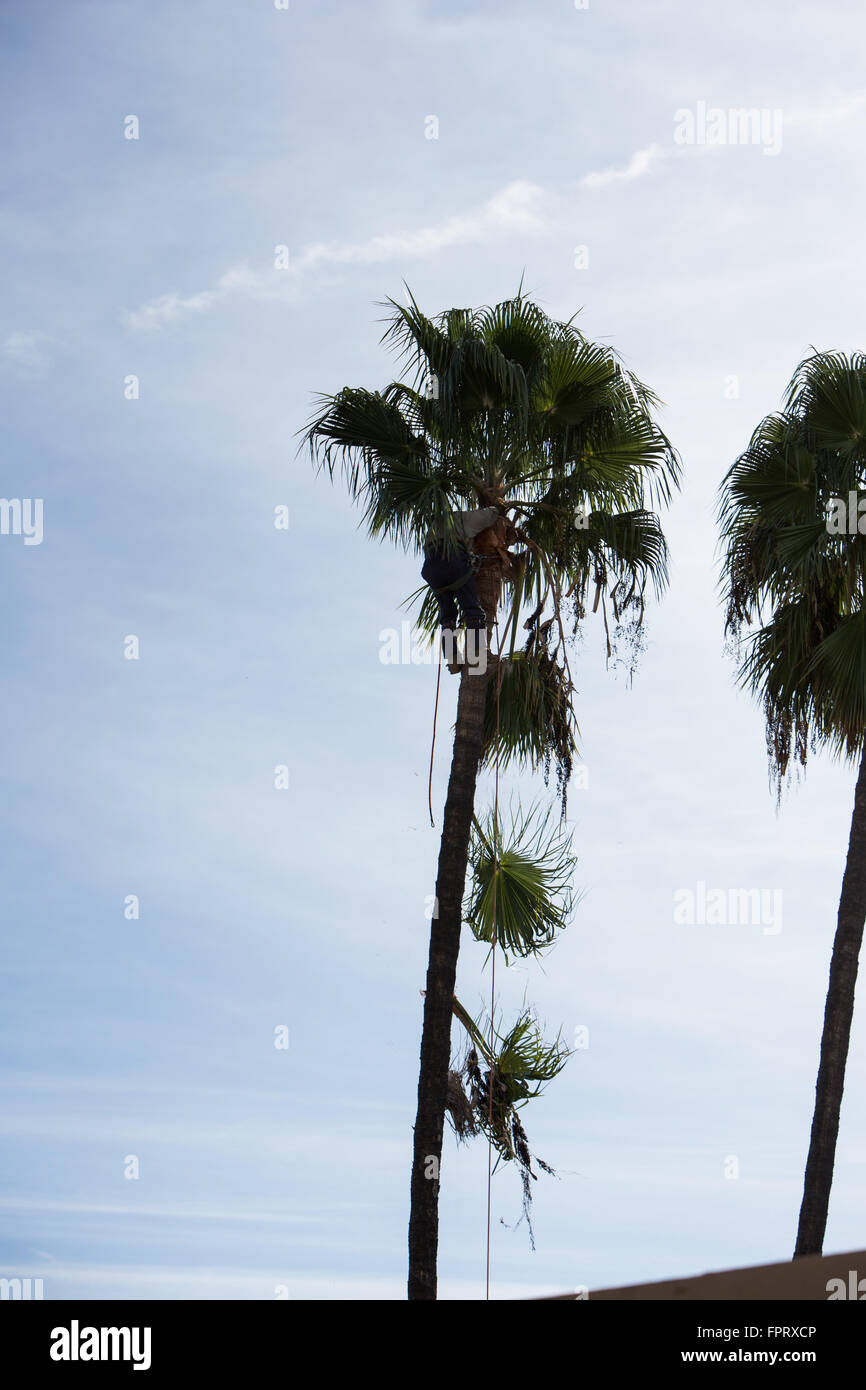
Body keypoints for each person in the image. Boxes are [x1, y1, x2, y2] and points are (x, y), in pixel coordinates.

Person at [421, 505, 500, 672]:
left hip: (431, 569)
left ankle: (452, 658)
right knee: (472, 609)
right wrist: (497, 507)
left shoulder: (434, 524)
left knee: (447, 616)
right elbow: (488, 517)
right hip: (454, 562)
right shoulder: (461, 518)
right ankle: (477, 653)